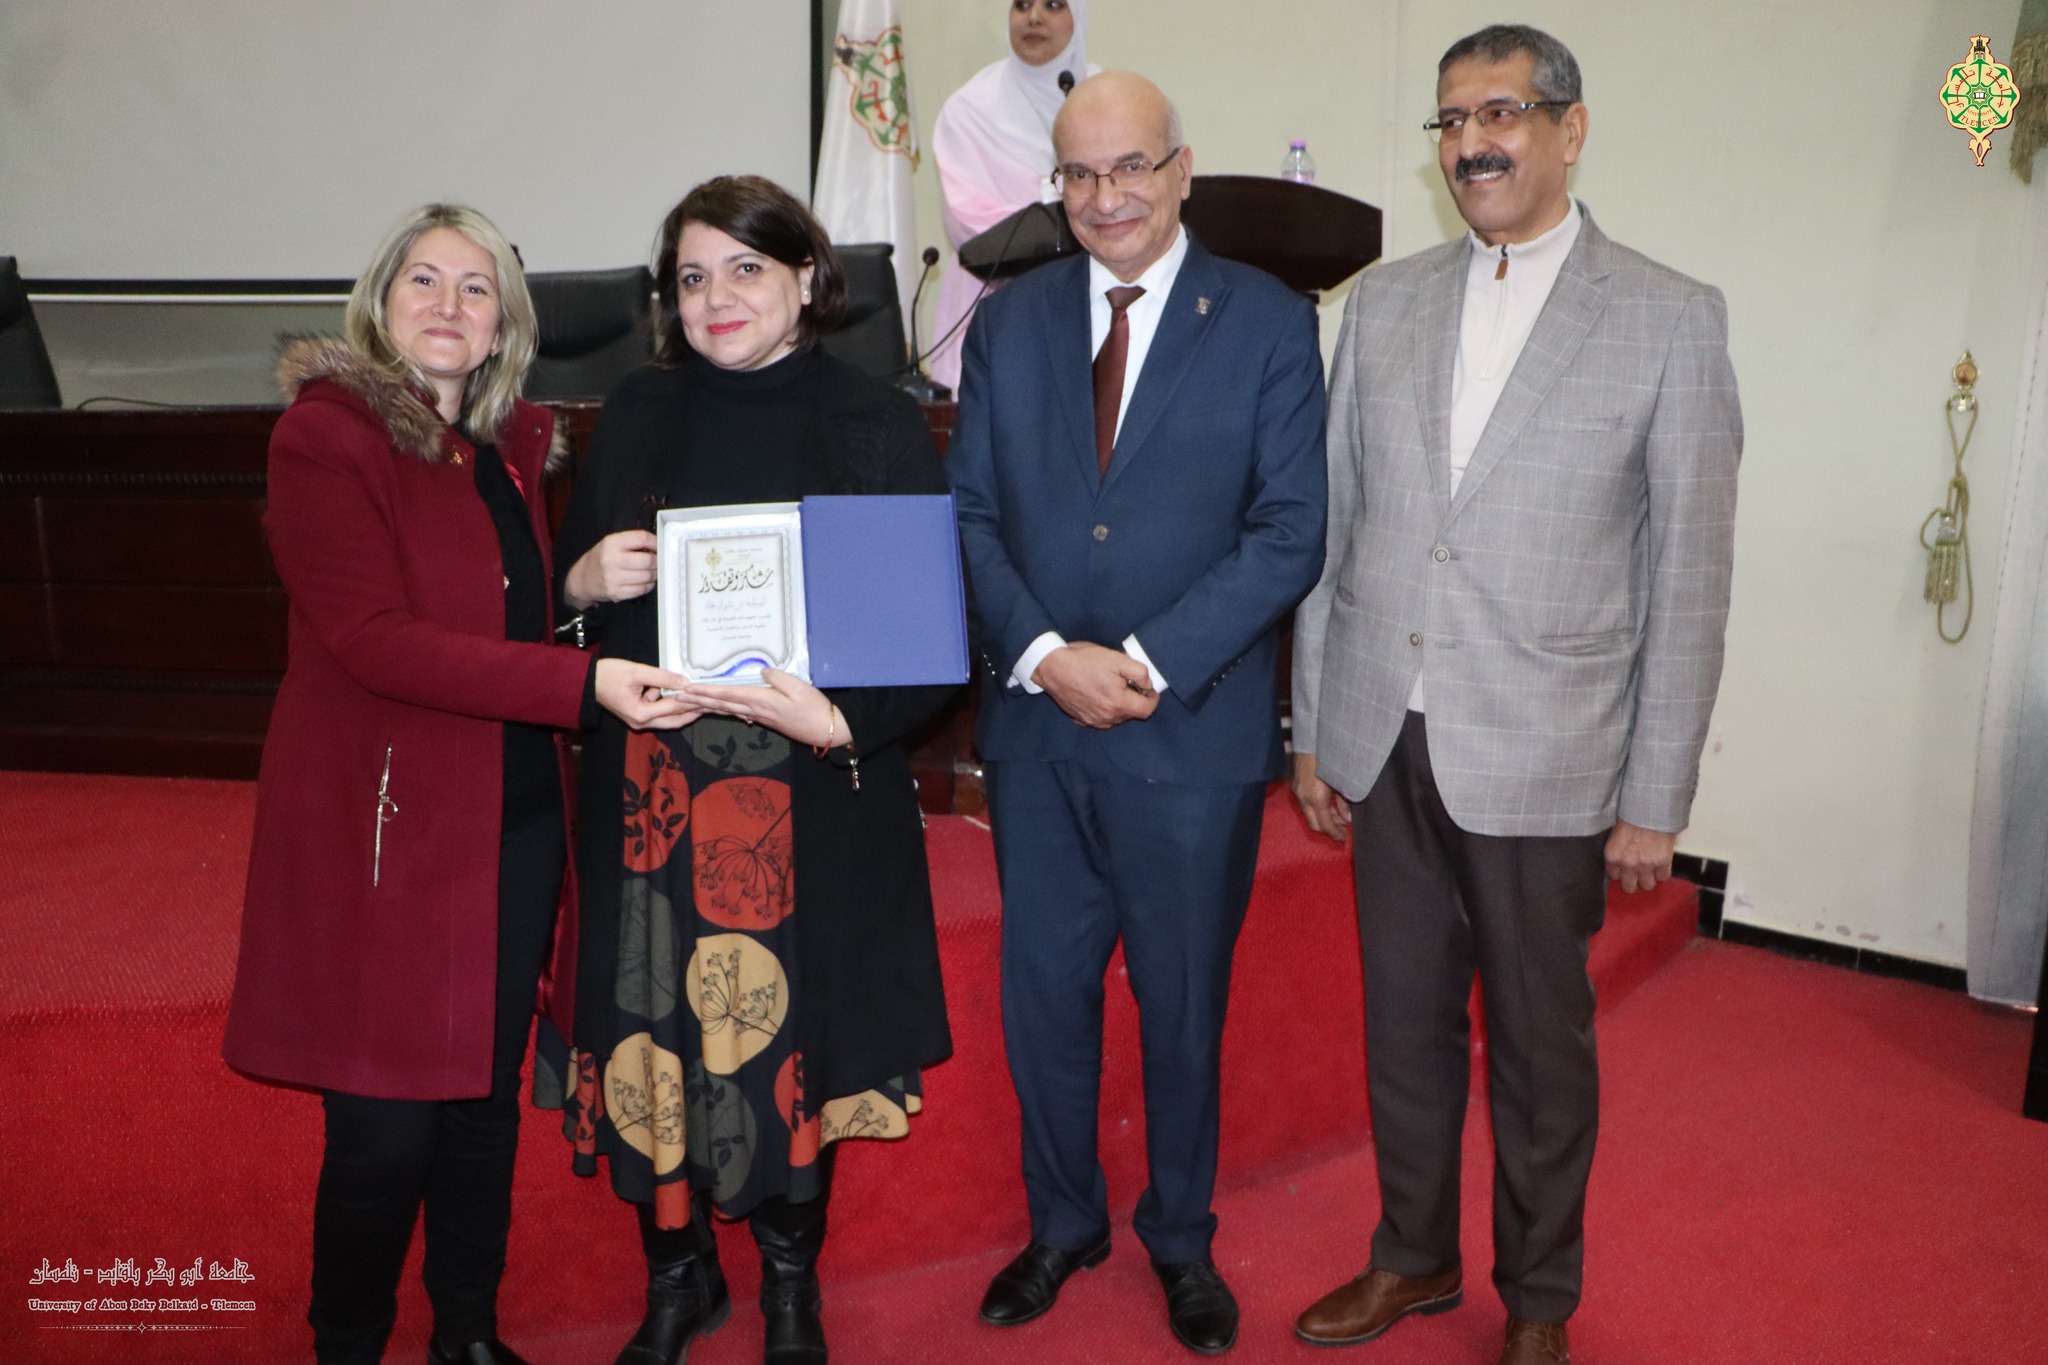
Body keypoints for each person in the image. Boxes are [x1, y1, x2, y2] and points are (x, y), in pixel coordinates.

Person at [1289, 25, 1742, 1365]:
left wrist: (1655, 792)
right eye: (1450, 121)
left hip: (1548, 754)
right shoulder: (1383, 304)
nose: (1471, 143)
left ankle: (1539, 1298)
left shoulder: (1667, 316)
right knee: (1402, 1028)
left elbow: (1690, 576)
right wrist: (1315, 725)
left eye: (1499, 113)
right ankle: (1412, 1255)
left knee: (1542, 1050)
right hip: (1385, 731)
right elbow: (1336, 533)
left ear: (1567, 128)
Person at [222, 203, 692, 1365]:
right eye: (422, 281)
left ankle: (466, 1337)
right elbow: (376, 640)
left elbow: (490, 618)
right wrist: (587, 682)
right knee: (384, 1129)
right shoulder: (325, 437)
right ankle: (349, 1345)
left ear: (502, 327)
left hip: (511, 815)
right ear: (380, 305)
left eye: (475, 288)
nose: (447, 304)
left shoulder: (500, 449)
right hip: (387, 832)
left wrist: (570, 592)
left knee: (481, 1102)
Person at [949, 70, 1328, 1357]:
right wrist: (1045, 654)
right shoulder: (1006, 324)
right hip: (1037, 727)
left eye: (1129, 167)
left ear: (1179, 170)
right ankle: (1061, 1225)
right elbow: (970, 515)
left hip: (1190, 734)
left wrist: (1149, 663)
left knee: (1180, 1006)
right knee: (1044, 999)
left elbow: (1289, 532)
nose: (1104, 196)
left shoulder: (1267, 322)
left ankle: (1179, 1238)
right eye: (1078, 173)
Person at [550, 175, 956, 1365]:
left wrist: (837, 720)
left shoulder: (870, 421)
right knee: (654, 1038)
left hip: (802, 802)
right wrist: (581, 585)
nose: (716, 298)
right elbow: (562, 617)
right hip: (651, 801)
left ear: (806, 280)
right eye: (692, 277)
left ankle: (789, 1286)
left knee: (792, 1045)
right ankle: (676, 1281)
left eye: (744, 269)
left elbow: (922, 646)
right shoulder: (637, 408)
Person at [928, 0, 1094, 395]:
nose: (1034, 17)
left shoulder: (1104, 99)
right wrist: (1053, 216)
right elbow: (966, 221)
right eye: (1021, 5)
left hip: (1088, 301)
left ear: (1078, 17)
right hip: (990, 299)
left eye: (1053, 5)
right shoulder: (969, 109)